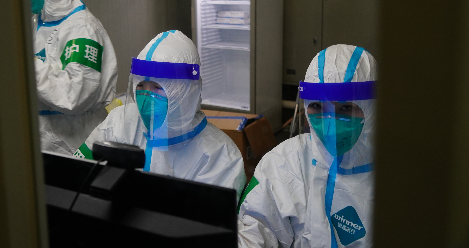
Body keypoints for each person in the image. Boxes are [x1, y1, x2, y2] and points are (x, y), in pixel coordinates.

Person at [75, 30, 246, 197]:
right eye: (141, 86)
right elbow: (78, 173)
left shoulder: (219, 156)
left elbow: (210, 215)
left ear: (187, 91)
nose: (147, 99)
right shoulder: (120, 122)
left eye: (157, 88)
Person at [238, 44, 377, 247]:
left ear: (373, 107)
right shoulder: (284, 162)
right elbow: (253, 230)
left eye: (346, 108)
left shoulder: (402, 177)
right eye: (317, 106)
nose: (329, 127)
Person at [28, 0, 118, 156]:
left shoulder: (82, 29)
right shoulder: (37, 22)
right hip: (45, 138)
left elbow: (75, 95)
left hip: (73, 139)